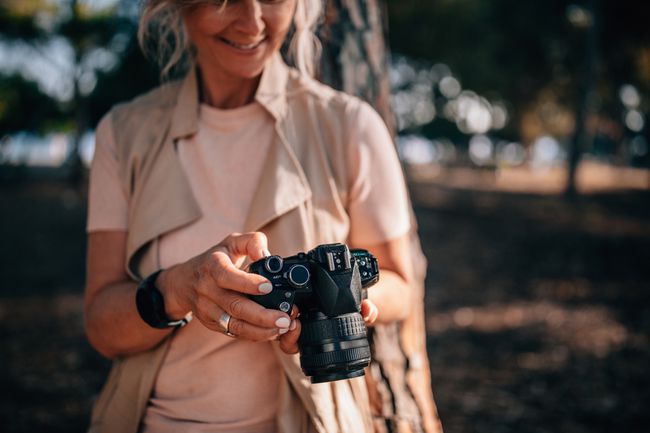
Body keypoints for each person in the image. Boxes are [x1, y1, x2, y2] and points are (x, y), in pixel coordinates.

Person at [84, 1, 441, 432]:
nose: (252, 22)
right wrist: (178, 289)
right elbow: (103, 326)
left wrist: (332, 300)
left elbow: (400, 284)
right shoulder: (123, 134)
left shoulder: (349, 126)